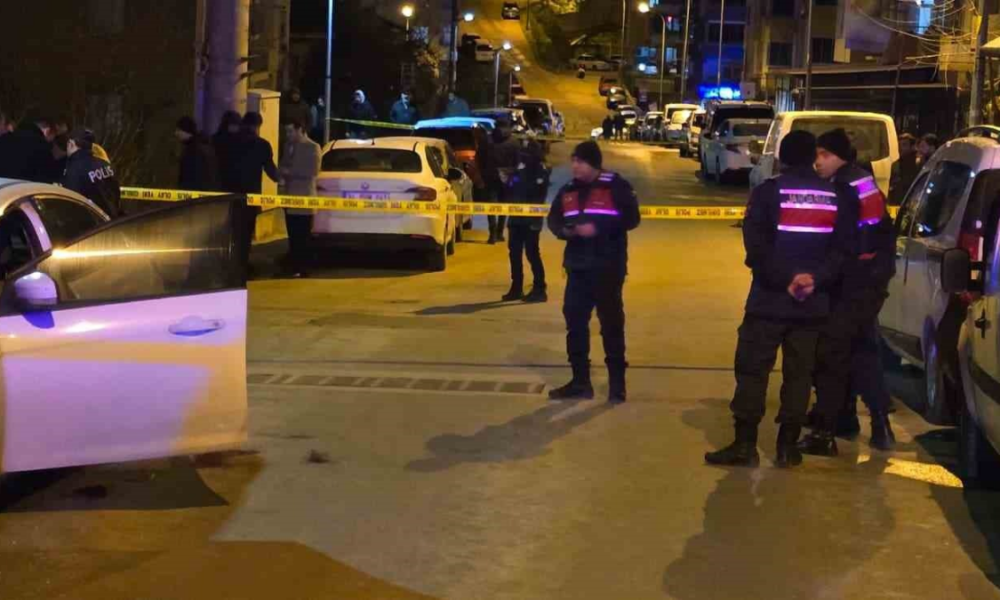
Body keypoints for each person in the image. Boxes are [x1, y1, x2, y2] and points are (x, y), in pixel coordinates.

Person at [704, 131, 858, 468]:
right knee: (800, 375)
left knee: (752, 370)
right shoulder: (838, 196)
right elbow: (844, 251)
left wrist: (786, 279)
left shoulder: (767, 193)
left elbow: (756, 249)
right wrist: (813, 279)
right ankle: (788, 447)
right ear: (812, 157)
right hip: (812, 303)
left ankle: (745, 445)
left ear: (782, 158)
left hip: (769, 301)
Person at [798, 129, 897, 455]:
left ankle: (827, 430)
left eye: (825, 155)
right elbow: (882, 233)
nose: (818, 161)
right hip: (871, 280)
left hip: (852, 283)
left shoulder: (842, 188)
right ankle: (875, 423)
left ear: (840, 156)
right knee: (863, 348)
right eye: (817, 154)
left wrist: (818, 277)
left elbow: (840, 245)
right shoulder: (863, 181)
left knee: (832, 354)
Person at [547, 141, 641, 405]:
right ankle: (580, 382)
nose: (574, 166)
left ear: (593, 164)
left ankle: (617, 385)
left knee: (611, 325)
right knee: (575, 324)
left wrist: (598, 229)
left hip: (607, 268)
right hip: (577, 269)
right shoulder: (568, 190)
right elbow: (554, 219)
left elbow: (632, 218)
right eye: (573, 161)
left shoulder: (615, 186)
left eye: (580, 161)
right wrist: (565, 231)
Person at [503, 135, 549, 302]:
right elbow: (511, 189)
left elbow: (538, 194)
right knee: (514, 254)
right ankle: (516, 287)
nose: (523, 156)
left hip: (531, 220)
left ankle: (539, 288)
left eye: (527, 153)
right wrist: (509, 179)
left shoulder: (540, 171)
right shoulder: (520, 170)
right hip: (516, 219)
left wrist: (535, 220)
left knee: (532, 253)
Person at [232, 112, 280, 271]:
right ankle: (243, 264)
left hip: (230, 194)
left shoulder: (231, 141)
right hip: (251, 196)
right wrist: (282, 179)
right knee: (246, 233)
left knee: (233, 232)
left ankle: (233, 263)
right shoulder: (262, 145)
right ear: (257, 126)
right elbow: (270, 170)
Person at [279, 118, 322, 278]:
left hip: (304, 199)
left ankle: (303, 268)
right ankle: (294, 267)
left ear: (300, 130)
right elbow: (282, 165)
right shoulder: (288, 146)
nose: (288, 134)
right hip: (289, 198)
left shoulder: (312, 147)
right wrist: (282, 172)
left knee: (303, 236)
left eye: (291, 131)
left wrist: (289, 172)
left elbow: (313, 171)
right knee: (292, 236)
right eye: (286, 131)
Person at [62, 127, 121, 218]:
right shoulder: (105, 164)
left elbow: (70, 204)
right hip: (114, 219)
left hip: (93, 223)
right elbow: (116, 192)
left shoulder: (74, 169)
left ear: (71, 143)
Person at [0, 115, 56, 182]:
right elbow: (47, 177)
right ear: (47, 130)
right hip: (27, 186)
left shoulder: (5, 139)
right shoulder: (41, 145)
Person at [489, 121, 519, 244]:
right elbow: (518, 161)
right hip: (508, 176)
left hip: (491, 175)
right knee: (504, 204)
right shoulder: (514, 142)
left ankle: (492, 234)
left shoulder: (489, 140)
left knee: (490, 206)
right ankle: (500, 233)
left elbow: (481, 157)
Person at [175, 116, 219, 192]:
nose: (176, 133)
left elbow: (192, 177)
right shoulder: (201, 146)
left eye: (178, 130)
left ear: (185, 131)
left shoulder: (193, 151)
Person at [214, 110, 243, 192]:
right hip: (221, 177)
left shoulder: (241, 140)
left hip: (231, 179)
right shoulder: (218, 139)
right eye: (233, 123)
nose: (235, 126)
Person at [889, 132, 919, 205]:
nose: (900, 148)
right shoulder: (896, 163)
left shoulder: (917, 162)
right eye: (899, 145)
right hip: (898, 201)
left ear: (912, 147)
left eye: (904, 145)